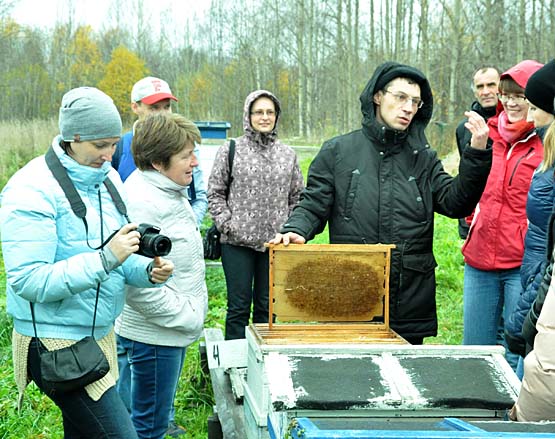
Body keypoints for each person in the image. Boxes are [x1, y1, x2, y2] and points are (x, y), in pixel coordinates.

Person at [270, 61, 493, 345]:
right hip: (352, 293)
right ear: (377, 96)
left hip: (409, 298)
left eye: (415, 101)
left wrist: (476, 154)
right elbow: (313, 204)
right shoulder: (338, 152)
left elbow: (455, 203)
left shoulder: (422, 157)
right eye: (400, 97)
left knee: (403, 384)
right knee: (351, 382)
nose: (408, 108)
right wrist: (296, 229)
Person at [0, 86, 174, 438]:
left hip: (96, 336)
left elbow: (117, 252)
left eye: (113, 144)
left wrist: (147, 272)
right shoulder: (30, 190)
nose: (110, 155)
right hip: (53, 341)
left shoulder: (107, 179)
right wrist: (107, 259)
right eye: (99, 146)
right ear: (72, 137)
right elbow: (29, 281)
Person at [114, 112, 208, 439]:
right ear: (157, 162)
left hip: (163, 333)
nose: (195, 162)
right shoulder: (145, 203)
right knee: (148, 428)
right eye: (186, 156)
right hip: (155, 336)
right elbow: (138, 285)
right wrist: (186, 315)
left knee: (135, 419)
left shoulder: (167, 189)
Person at [461, 60, 544, 370]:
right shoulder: (487, 134)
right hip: (479, 260)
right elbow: (469, 186)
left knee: (517, 351)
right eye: (506, 95)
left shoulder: (544, 143)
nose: (510, 102)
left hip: (521, 264)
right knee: (474, 352)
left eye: (519, 96)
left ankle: (513, 416)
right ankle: (474, 413)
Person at [207, 89, 304, 340]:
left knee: (267, 308)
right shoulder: (230, 149)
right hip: (236, 243)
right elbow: (215, 193)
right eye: (258, 112)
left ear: (277, 116)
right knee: (238, 308)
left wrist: (288, 229)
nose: (264, 117)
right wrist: (227, 224)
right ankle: (235, 366)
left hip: (274, 245)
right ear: (248, 115)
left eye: (270, 112)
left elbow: (297, 197)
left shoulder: (288, 155)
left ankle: (264, 363)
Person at [505, 60, 555, 378]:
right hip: (535, 292)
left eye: (535, 107)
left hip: (543, 305)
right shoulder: (549, 156)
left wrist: (526, 317)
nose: (529, 116)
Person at [112, 76, 208, 226]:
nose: (163, 114)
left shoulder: (188, 144)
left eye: (167, 107)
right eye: (154, 108)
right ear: (135, 107)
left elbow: (199, 196)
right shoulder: (118, 148)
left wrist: (187, 228)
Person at [455, 67, 500, 239]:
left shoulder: (513, 124)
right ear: (474, 92)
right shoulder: (464, 129)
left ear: (500, 87)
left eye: (491, 85)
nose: (486, 91)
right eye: (480, 87)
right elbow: (466, 175)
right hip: (475, 216)